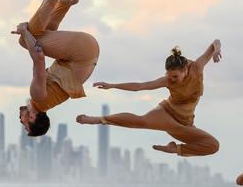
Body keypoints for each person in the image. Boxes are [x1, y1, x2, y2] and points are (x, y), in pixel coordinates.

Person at [76, 43, 222, 157]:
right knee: (141, 121)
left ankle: (175, 149)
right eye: (169, 75)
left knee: (213, 145)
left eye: (175, 77)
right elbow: (140, 86)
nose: (171, 79)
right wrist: (113, 85)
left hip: (185, 124)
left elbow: (215, 42)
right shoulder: (167, 80)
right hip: (167, 114)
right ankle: (97, 119)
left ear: (185, 70)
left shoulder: (197, 67)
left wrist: (217, 50)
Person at [12, 0, 100, 136]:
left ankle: (67, 0)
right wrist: (24, 31)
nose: (21, 122)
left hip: (86, 52)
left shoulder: (48, 101)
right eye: (25, 126)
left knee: (43, 32)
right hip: (81, 51)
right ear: (32, 117)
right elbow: (38, 57)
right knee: (25, 40)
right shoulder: (38, 96)